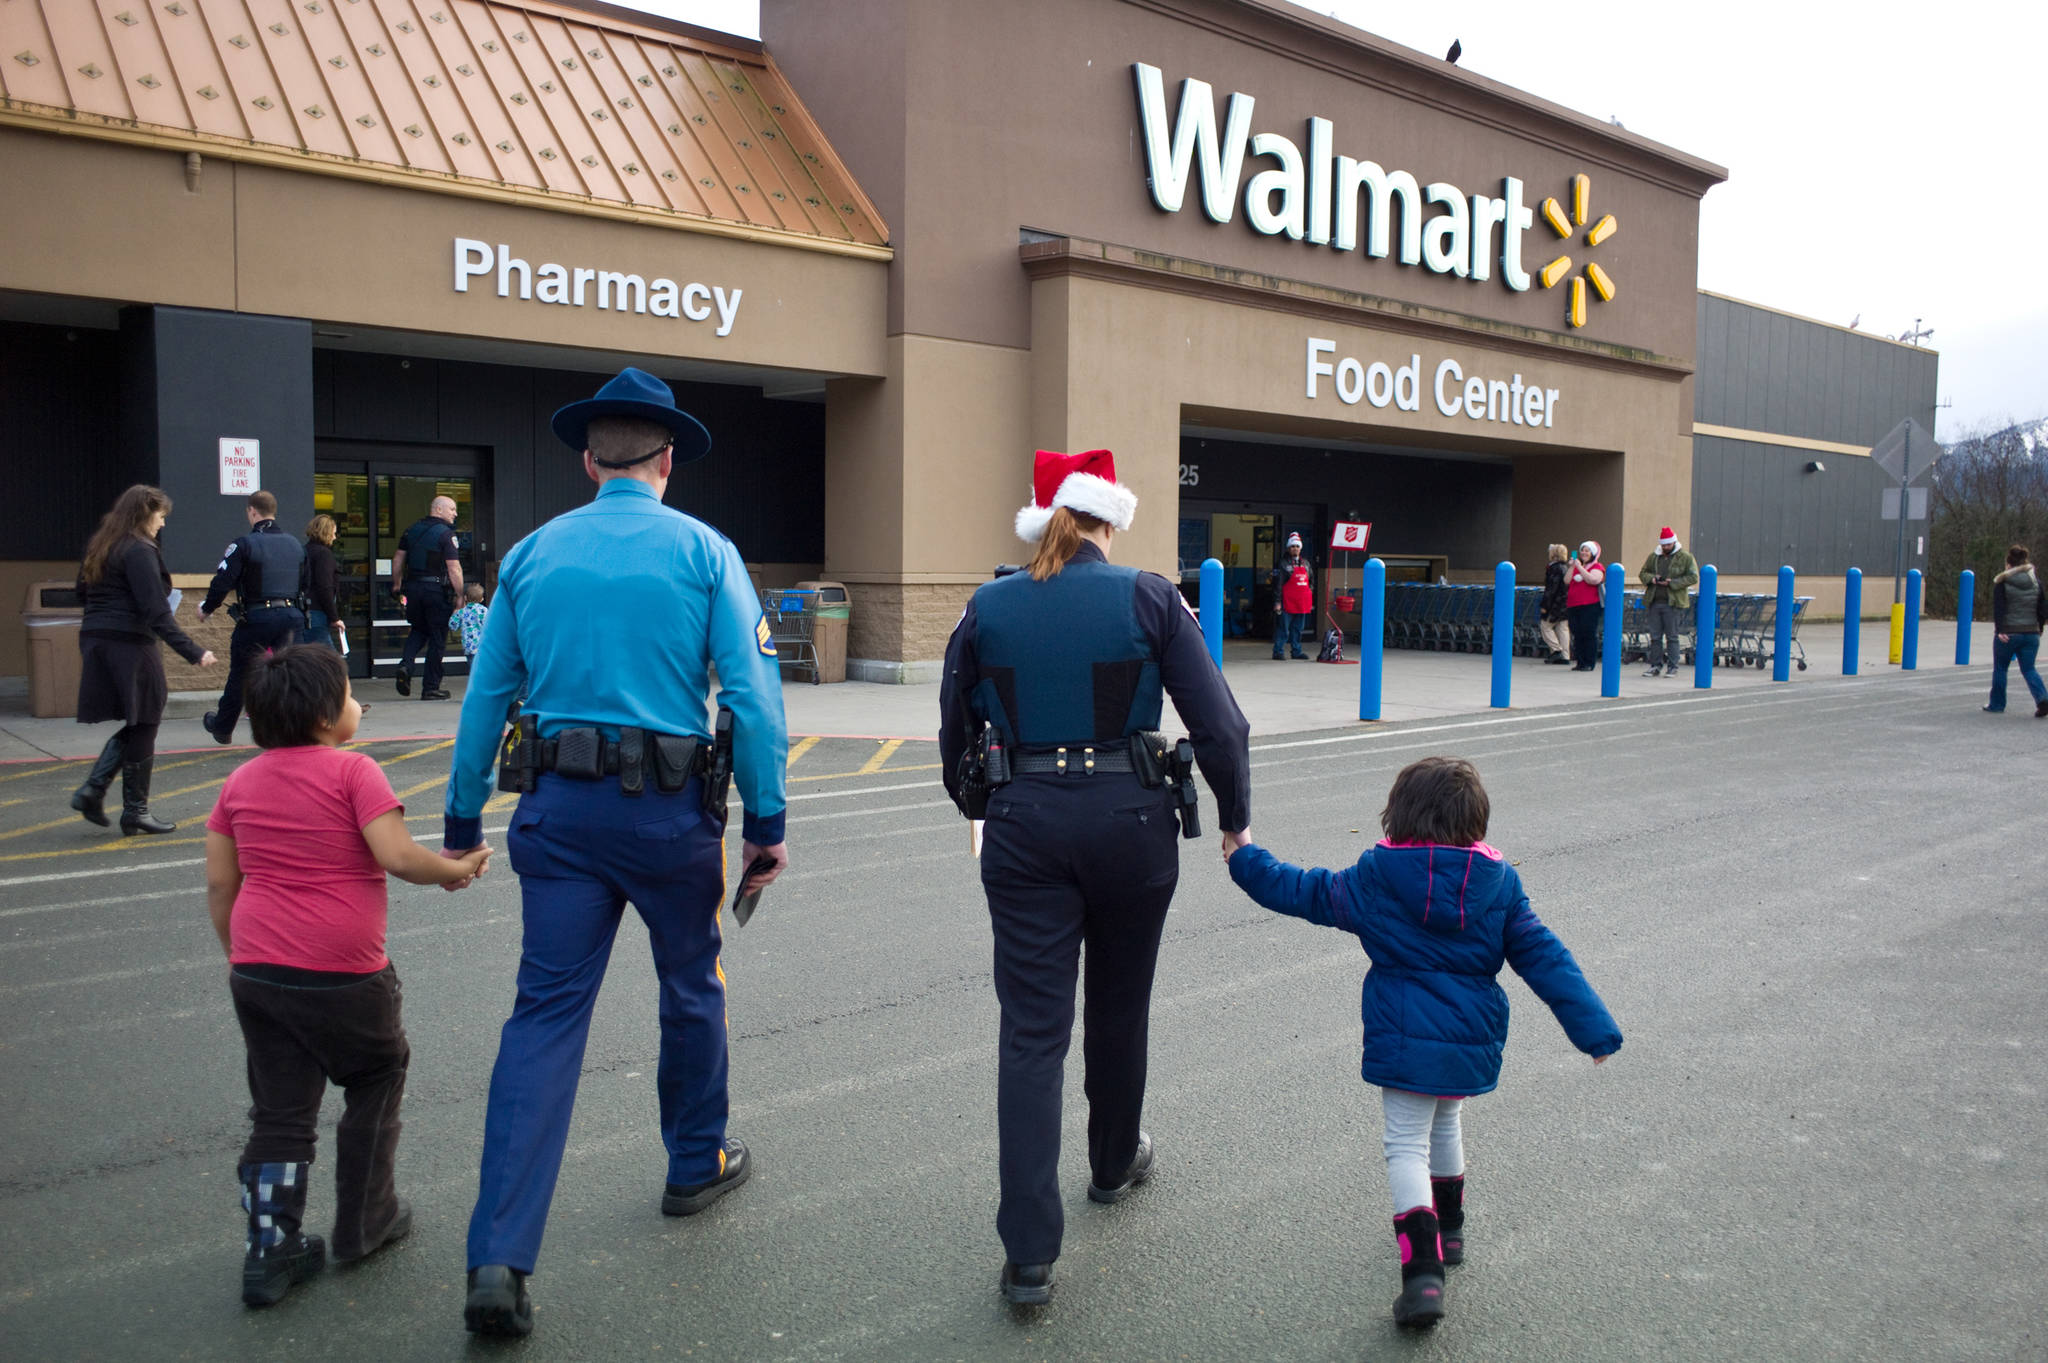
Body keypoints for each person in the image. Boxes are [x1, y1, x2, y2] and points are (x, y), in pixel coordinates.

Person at [444, 367, 789, 1338]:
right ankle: (695, 1162)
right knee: (690, 987)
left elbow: (483, 700)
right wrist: (766, 823)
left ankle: (500, 1259)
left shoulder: (532, 555)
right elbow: (754, 702)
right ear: (668, 460)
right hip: (670, 820)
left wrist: (464, 815)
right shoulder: (705, 554)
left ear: (589, 459)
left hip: (556, 816)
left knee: (542, 1019)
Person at [939, 447, 1252, 1307]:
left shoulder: (988, 603)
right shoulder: (1149, 595)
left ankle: (1029, 1253)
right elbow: (1221, 723)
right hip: (1130, 824)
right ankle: (1113, 1164)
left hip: (1023, 823)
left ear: (1044, 519)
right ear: (1106, 519)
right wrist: (1234, 817)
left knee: (1030, 1033)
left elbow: (952, 733)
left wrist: (988, 803)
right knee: (1119, 1005)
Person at [1225, 756, 1621, 1329]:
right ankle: (1451, 1231)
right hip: (1468, 1040)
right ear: (1476, 821)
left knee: (1405, 1145)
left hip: (1405, 1039)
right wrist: (1594, 1030)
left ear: (1399, 816)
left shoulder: (1376, 879)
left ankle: (1423, 1275)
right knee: (1446, 1123)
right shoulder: (1501, 885)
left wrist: (1244, 856)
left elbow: (1301, 891)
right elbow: (1545, 957)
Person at [206, 645, 491, 1309]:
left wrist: (237, 953)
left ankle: (270, 1249)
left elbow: (223, 881)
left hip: (258, 970)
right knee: (375, 1077)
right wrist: (458, 868)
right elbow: (396, 855)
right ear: (327, 715)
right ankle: (367, 1220)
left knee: (280, 1107)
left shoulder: (238, 784)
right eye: (350, 695)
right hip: (344, 974)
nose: (358, 705)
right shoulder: (353, 772)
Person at [71, 485, 217, 833]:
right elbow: (156, 611)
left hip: (96, 638)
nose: (162, 524)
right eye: (161, 516)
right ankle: (132, 808)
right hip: (130, 641)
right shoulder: (139, 549)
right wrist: (194, 651)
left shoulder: (102, 544)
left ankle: (95, 790)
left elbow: (81, 591)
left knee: (139, 719)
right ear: (145, 513)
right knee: (148, 717)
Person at [200, 490, 307, 744]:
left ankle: (223, 728)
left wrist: (207, 608)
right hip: (292, 616)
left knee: (242, 673)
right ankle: (297, 728)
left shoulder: (244, 544)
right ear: (274, 510)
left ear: (252, 511)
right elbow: (306, 583)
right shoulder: (295, 544)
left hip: (258, 617)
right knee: (291, 675)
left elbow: (223, 580)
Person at [391, 495, 463, 701]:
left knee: (419, 629)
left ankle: (405, 665)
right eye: (452, 509)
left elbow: (397, 559)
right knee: (438, 637)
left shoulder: (411, 530)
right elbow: (454, 567)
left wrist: (397, 585)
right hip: (435, 591)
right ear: (438, 510)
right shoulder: (446, 535)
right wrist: (460, 594)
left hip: (413, 588)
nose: (455, 514)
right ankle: (431, 687)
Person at [1984, 544, 2048, 717]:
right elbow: (2043, 607)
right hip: (2031, 634)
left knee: (2000, 668)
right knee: (2029, 669)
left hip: (2009, 633)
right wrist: (2039, 627)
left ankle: (1997, 704)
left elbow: (1999, 608)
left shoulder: (2002, 582)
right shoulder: (2036, 582)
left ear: (2009, 565)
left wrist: (2000, 630)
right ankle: (2043, 699)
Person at [1637, 527, 1699, 677]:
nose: (1665, 548)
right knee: (1655, 636)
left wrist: (1673, 582)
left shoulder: (1685, 557)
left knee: (1672, 636)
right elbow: (1642, 573)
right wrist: (1652, 579)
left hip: (1673, 603)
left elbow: (1693, 577)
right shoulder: (1654, 557)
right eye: (1663, 545)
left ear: (1673, 543)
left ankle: (1673, 666)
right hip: (1654, 600)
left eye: (1668, 545)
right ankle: (1655, 665)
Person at [298, 514, 345, 651]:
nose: (335, 537)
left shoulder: (303, 551)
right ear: (326, 532)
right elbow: (325, 587)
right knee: (330, 664)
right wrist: (334, 617)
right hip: (317, 613)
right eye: (334, 533)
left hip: (302, 611)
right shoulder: (324, 554)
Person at [1269, 530, 1315, 659]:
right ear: (1288, 548)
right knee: (1283, 628)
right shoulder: (1282, 563)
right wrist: (1277, 602)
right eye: (1292, 546)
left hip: (1301, 603)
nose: (1295, 549)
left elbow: (1311, 580)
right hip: (1286, 602)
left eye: (1297, 546)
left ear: (1300, 548)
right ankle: (1278, 651)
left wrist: (1308, 593)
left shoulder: (1306, 563)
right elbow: (1277, 585)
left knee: (1297, 629)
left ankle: (1296, 651)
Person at [1564, 540, 1605, 672]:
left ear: (1592, 553)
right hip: (1573, 605)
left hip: (1590, 605)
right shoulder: (1576, 567)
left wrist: (1580, 568)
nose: (1583, 553)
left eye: (1587, 551)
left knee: (1588, 633)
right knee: (1577, 633)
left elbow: (1593, 580)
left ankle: (1589, 662)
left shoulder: (1597, 567)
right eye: (1582, 550)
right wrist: (1572, 567)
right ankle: (1580, 662)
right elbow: (1566, 580)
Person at [1539, 544, 1572, 664]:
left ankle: (1556, 650)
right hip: (1565, 603)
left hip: (1555, 604)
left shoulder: (1554, 568)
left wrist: (1545, 605)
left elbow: (1551, 590)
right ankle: (1565, 655)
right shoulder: (1565, 568)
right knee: (1562, 629)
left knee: (1545, 626)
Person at [449, 582, 488, 665]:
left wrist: (454, 612)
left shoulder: (462, 612)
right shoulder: (484, 611)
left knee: (472, 668)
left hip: (469, 647)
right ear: (482, 599)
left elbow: (453, 626)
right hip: (483, 647)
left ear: (465, 598)